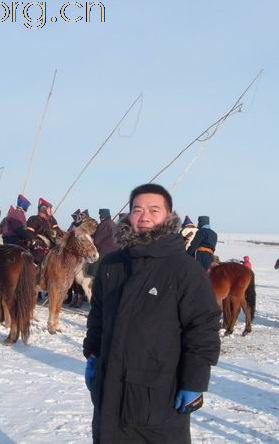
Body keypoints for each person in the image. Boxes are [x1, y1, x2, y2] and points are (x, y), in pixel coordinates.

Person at [83, 183, 221, 443]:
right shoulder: (112, 265)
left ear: (169, 217)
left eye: (153, 210)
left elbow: (203, 328)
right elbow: (98, 316)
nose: (144, 216)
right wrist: (92, 354)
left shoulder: (184, 269)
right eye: (137, 209)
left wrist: (194, 382)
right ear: (128, 216)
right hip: (109, 387)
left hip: (158, 395)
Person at [26, 197, 62, 264]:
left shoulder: (51, 219)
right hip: (39, 245)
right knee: (39, 255)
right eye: (49, 209)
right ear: (44, 209)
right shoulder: (34, 219)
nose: (50, 211)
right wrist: (35, 241)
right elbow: (29, 233)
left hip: (52, 244)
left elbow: (58, 230)